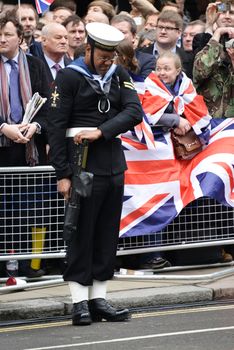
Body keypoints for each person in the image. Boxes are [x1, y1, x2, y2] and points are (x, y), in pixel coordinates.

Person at [47, 22, 143, 325]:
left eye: (111, 57)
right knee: (81, 233)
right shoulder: (69, 76)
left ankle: (99, 298)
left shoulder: (119, 76)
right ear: (88, 49)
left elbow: (134, 111)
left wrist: (101, 131)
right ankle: (79, 302)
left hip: (112, 163)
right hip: (81, 165)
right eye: (102, 56)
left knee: (105, 233)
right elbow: (56, 126)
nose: (107, 62)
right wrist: (63, 173)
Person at [0, 14, 49, 277]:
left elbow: (49, 105)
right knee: (2, 211)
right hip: (1, 148)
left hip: (29, 149)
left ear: (20, 38)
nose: (2, 38)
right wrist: (2, 127)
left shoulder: (35, 65)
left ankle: (25, 265)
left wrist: (36, 126)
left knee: (26, 210)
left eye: (7, 34)